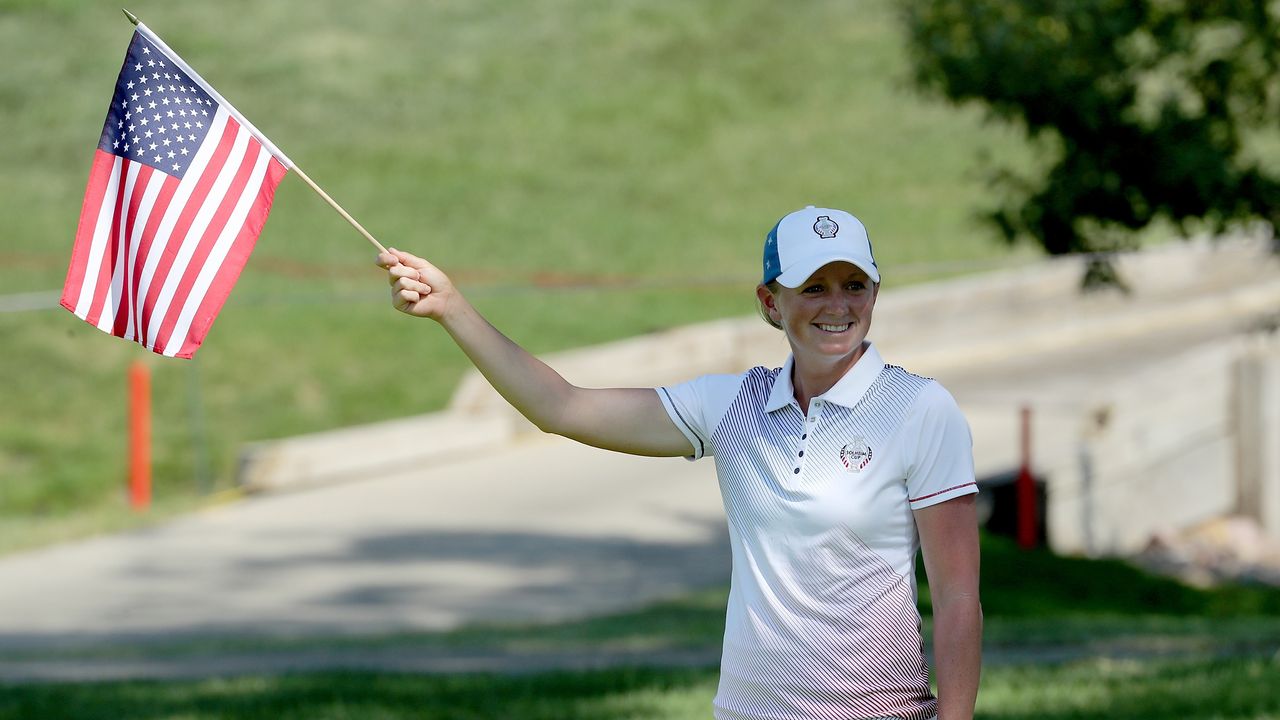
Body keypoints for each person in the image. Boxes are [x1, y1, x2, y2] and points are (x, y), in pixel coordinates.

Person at [377, 205, 982, 720]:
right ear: (770, 302)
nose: (837, 305)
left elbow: (957, 599)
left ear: (876, 292)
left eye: (855, 285)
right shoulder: (732, 406)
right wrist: (452, 307)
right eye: (814, 287)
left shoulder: (919, 409)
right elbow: (562, 406)